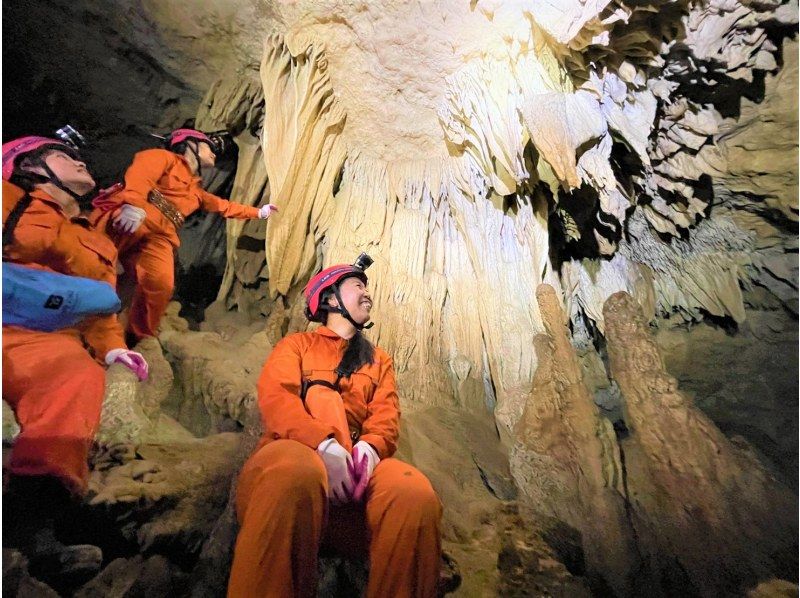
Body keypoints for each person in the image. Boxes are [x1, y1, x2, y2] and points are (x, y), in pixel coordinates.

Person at [227, 256, 443, 598]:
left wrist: (370, 448)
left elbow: (386, 414)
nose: (367, 293)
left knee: (413, 492)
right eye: (358, 286)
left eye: (367, 287)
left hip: (352, 483)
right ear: (330, 299)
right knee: (298, 469)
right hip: (288, 466)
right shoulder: (297, 345)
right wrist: (322, 445)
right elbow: (277, 399)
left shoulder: (378, 360)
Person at [2, 134, 148, 576]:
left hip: (42, 337)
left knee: (76, 378)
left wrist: (115, 352)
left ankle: (29, 526)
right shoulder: (8, 198)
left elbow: (99, 306)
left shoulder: (95, 241)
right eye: (63, 156)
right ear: (31, 169)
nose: (79, 160)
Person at [90, 128, 277, 342]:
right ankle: (79, 313)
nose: (214, 152)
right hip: (134, 217)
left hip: (161, 235)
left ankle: (138, 337)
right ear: (190, 144)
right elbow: (142, 173)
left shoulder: (195, 191)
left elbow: (224, 206)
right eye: (209, 146)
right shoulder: (164, 158)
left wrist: (259, 212)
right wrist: (133, 204)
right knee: (97, 265)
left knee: (161, 284)